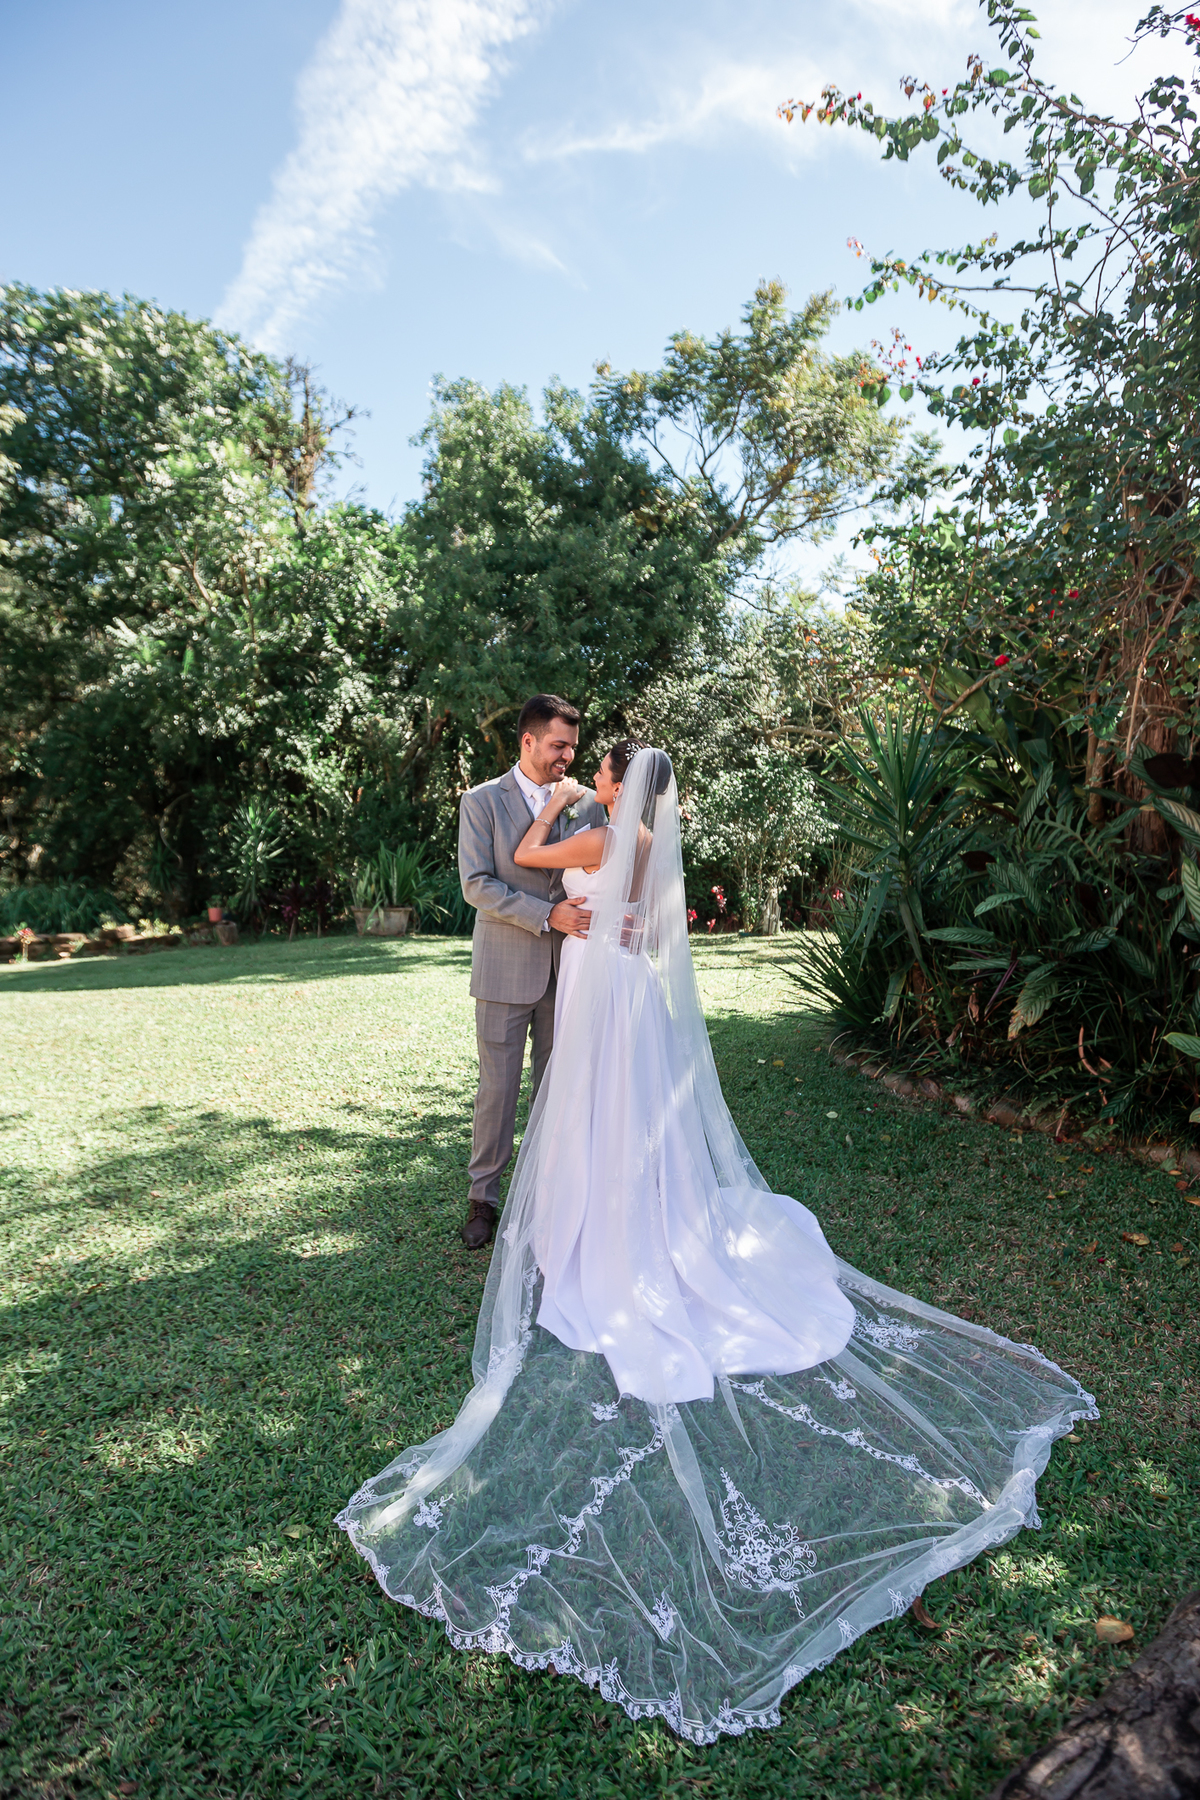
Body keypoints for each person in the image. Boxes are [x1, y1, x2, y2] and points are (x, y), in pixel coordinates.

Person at [340, 746, 1095, 1744]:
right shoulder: (653, 840)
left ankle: (594, 1241)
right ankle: (633, 1225)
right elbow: (656, 923)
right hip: (632, 990)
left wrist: (566, 801)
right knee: (634, 1127)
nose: (592, 780)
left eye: (599, 770)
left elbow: (529, 852)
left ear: (614, 782)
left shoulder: (599, 828)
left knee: (594, 1119)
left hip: (599, 989)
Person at [456, 694, 606, 1248]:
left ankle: (549, 1198)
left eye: (572, 746)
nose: (567, 755)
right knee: (497, 1090)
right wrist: (549, 915)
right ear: (528, 740)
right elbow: (478, 885)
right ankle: (482, 1201)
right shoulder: (480, 801)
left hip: (568, 972)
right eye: (558, 745)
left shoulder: (588, 803)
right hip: (503, 967)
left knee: (556, 1087)